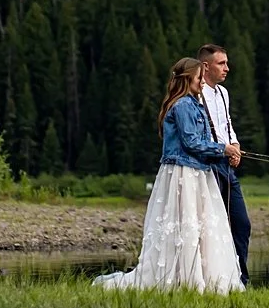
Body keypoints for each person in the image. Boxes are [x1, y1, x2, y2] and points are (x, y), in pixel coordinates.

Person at [95, 58, 243, 294]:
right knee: (185, 226)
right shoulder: (183, 105)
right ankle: (185, 280)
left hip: (199, 172)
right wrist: (223, 149)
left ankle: (199, 278)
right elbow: (192, 142)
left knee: (200, 227)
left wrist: (225, 153)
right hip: (183, 173)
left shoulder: (195, 104)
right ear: (187, 80)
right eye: (198, 78)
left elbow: (201, 142)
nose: (201, 82)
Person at [197, 44, 250, 286]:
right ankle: (214, 279)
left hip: (227, 166)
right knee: (211, 226)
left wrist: (235, 145)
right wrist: (222, 149)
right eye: (222, 63)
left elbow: (226, 123)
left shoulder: (223, 93)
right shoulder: (195, 93)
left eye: (227, 63)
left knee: (241, 223)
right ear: (206, 66)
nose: (227, 68)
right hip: (206, 167)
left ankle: (241, 279)